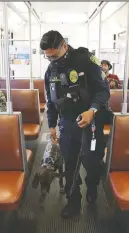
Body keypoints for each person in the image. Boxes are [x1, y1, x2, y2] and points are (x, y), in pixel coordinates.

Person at [40, 30, 110, 219]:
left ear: (64, 45)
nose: (51, 59)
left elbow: (103, 92)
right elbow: (51, 100)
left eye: (54, 55)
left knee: (92, 162)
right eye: (48, 57)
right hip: (67, 123)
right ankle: (73, 201)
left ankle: (93, 188)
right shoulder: (51, 71)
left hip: (91, 120)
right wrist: (52, 125)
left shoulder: (86, 60)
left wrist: (92, 110)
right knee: (70, 164)